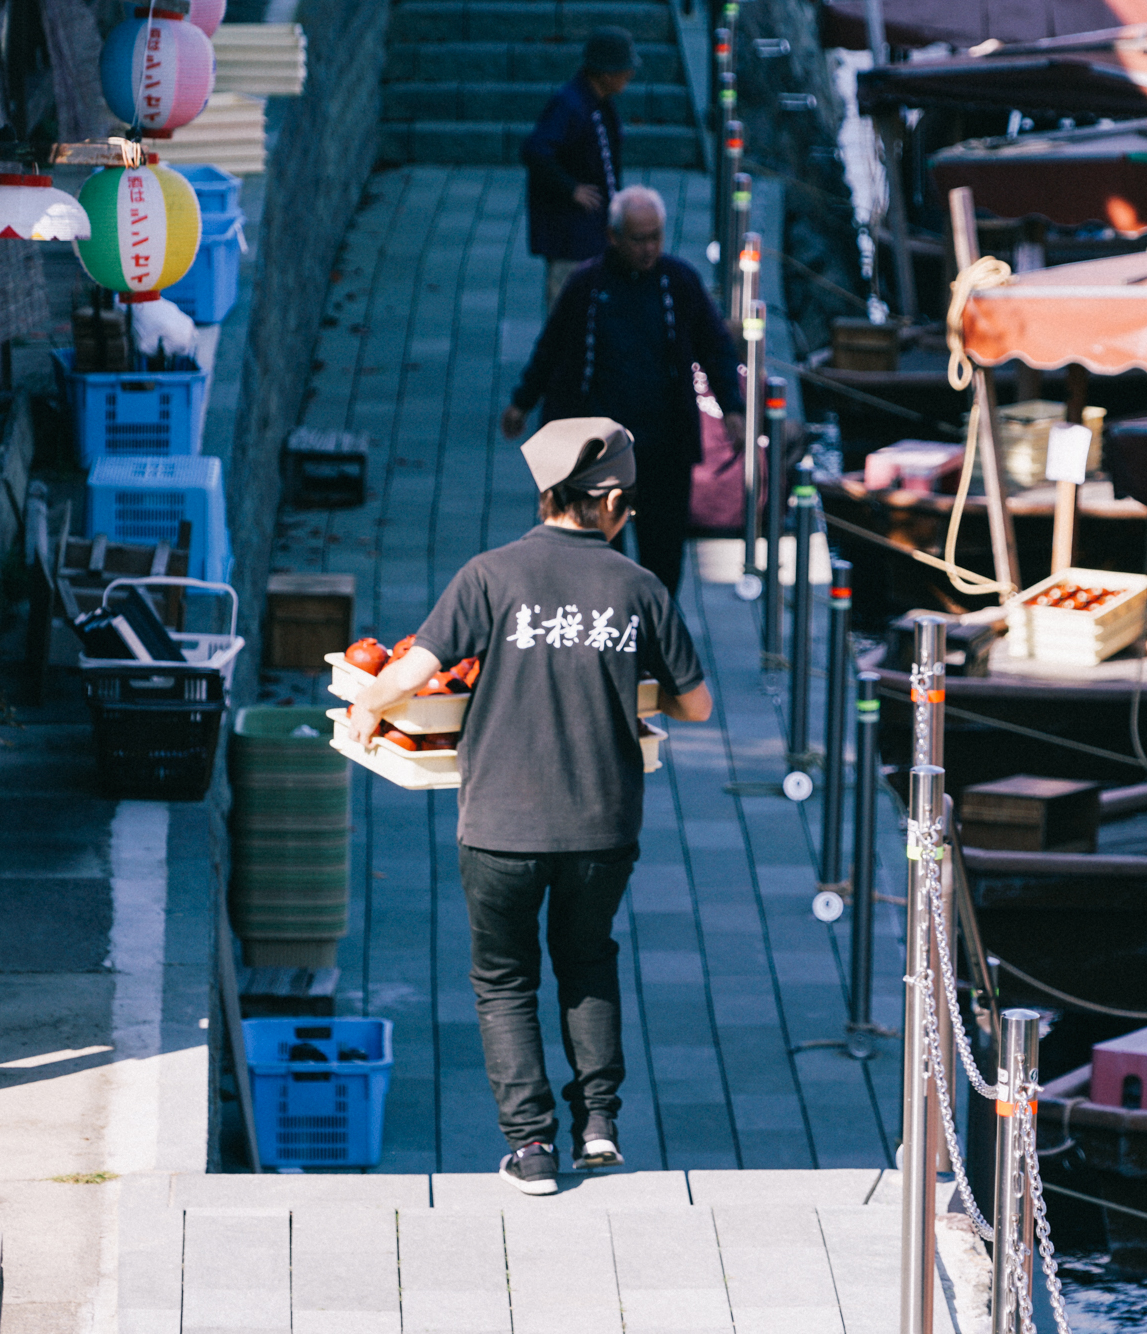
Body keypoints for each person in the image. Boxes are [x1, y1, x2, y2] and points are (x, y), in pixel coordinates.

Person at [348, 418, 714, 1198]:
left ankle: (533, 1148)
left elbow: (413, 669)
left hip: (501, 825)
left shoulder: (489, 575)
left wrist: (363, 709)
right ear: (610, 499)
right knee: (587, 961)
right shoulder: (638, 587)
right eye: (629, 503)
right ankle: (601, 1125)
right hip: (604, 824)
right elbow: (698, 706)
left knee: (504, 980)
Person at [501, 186, 743, 595]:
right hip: (598, 449)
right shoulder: (586, 286)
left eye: (656, 237)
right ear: (613, 237)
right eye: (639, 239)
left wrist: (732, 407)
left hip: (664, 444)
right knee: (596, 557)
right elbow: (552, 346)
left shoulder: (679, 282)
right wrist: (522, 402)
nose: (649, 248)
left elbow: (714, 346)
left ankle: (655, 637)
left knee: (662, 558)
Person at [523, 26, 639, 310]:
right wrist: (571, 189)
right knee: (567, 309)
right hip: (571, 237)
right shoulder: (570, 105)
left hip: (591, 234)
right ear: (607, 73)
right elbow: (536, 150)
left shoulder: (597, 103)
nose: (630, 75)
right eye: (625, 69)